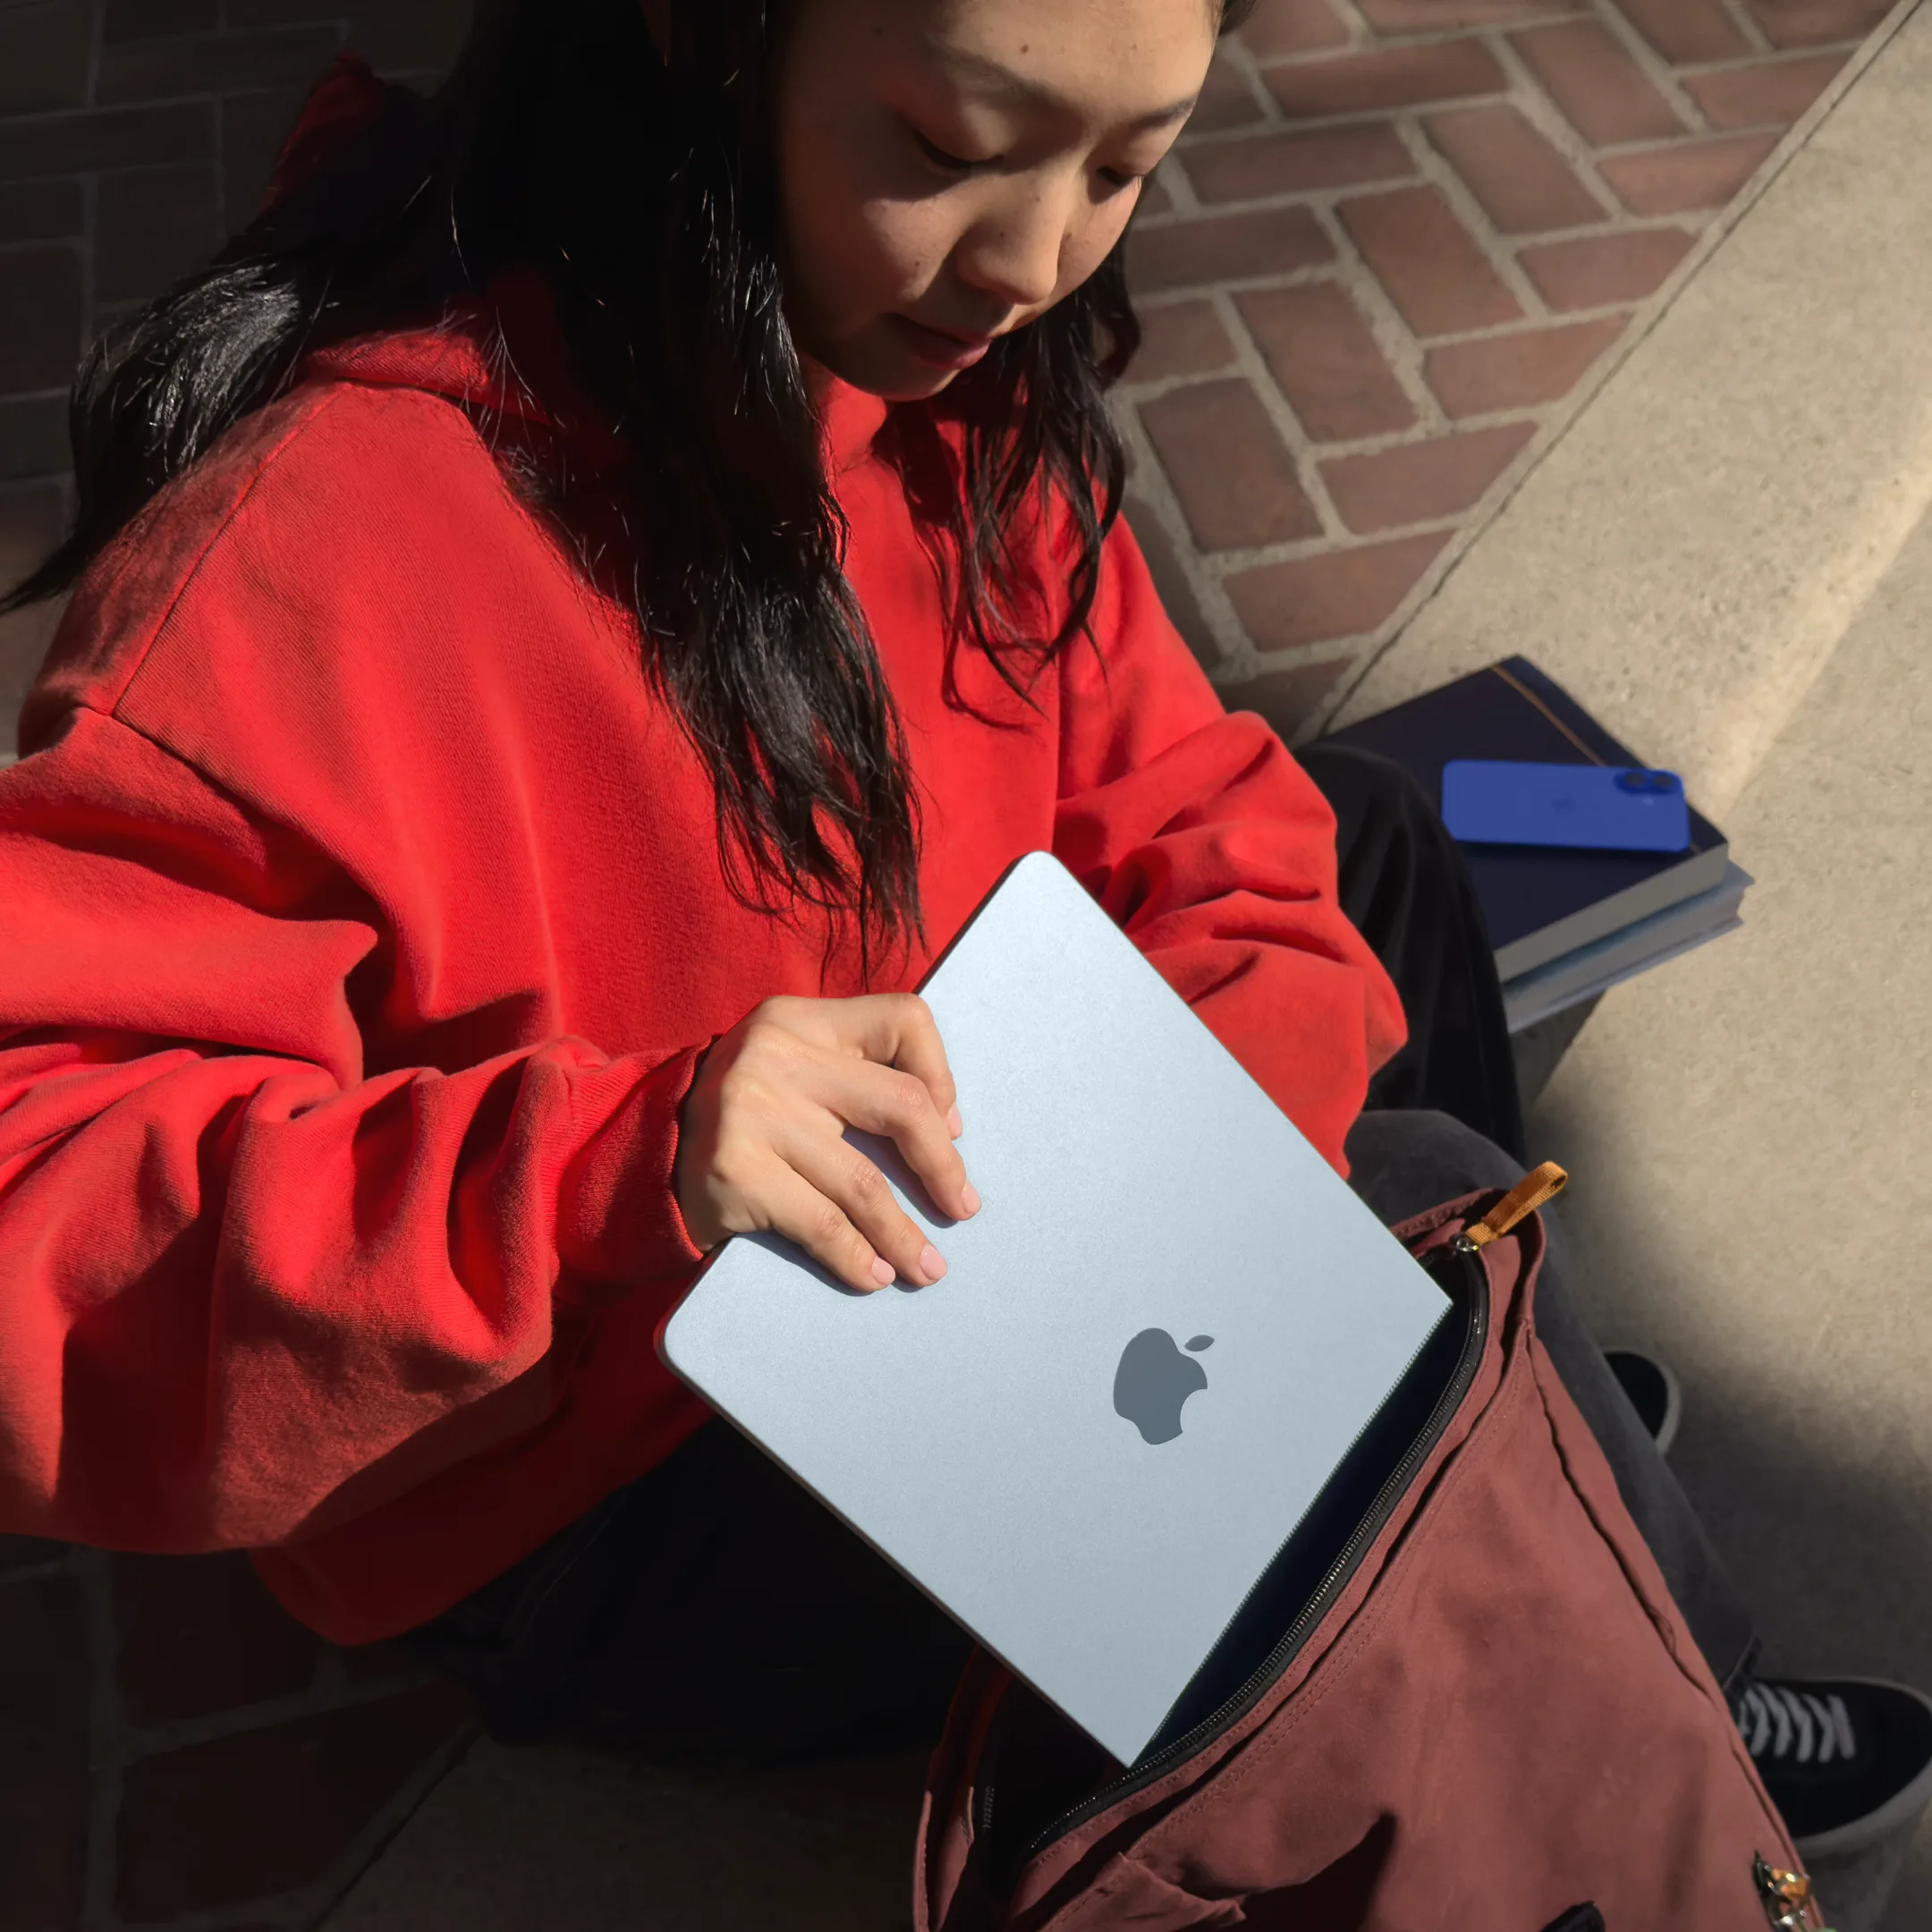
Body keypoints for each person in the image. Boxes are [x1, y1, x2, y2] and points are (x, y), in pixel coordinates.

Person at [0, 0, 1924, 1879]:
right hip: (595, 1453)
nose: (1029, 258)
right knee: (1418, 1191)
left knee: (1386, 855)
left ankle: (1460, 1442)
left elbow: (1214, 815)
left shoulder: (949, 386)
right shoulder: (306, 560)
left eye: (1124, 164)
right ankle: (1649, 1659)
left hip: (938, 1222)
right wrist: (606, 1168)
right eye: (946, 146)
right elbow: (46, 1224)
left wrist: (1197, 1222)